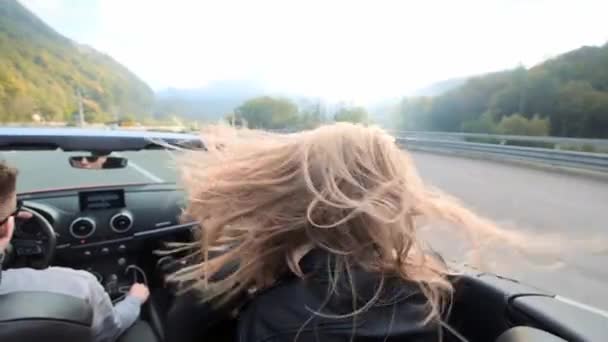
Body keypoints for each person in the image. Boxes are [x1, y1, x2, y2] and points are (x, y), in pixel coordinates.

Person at [166, 123, 521, 341]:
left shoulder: (275, 314)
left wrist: (234, 269)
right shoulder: (426, 285)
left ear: (293, 197)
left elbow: (180, 332)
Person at [0, 161, 149, 342]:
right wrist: (134, 300)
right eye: (16, 210)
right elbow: (109, 330)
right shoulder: (78, 286)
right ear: (8, 227)